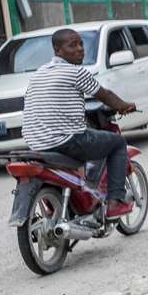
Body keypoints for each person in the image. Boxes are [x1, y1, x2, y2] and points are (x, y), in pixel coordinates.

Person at [23, 28, 137, 218]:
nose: (80, 49)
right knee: (117, 144)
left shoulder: (39, 73)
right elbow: (105, 95)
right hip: (65, 141)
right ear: (57, 50)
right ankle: (114, 202)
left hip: (35, 143)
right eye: (72, 45)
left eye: (81, 44)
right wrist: (125, 105)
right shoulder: (75, 73)